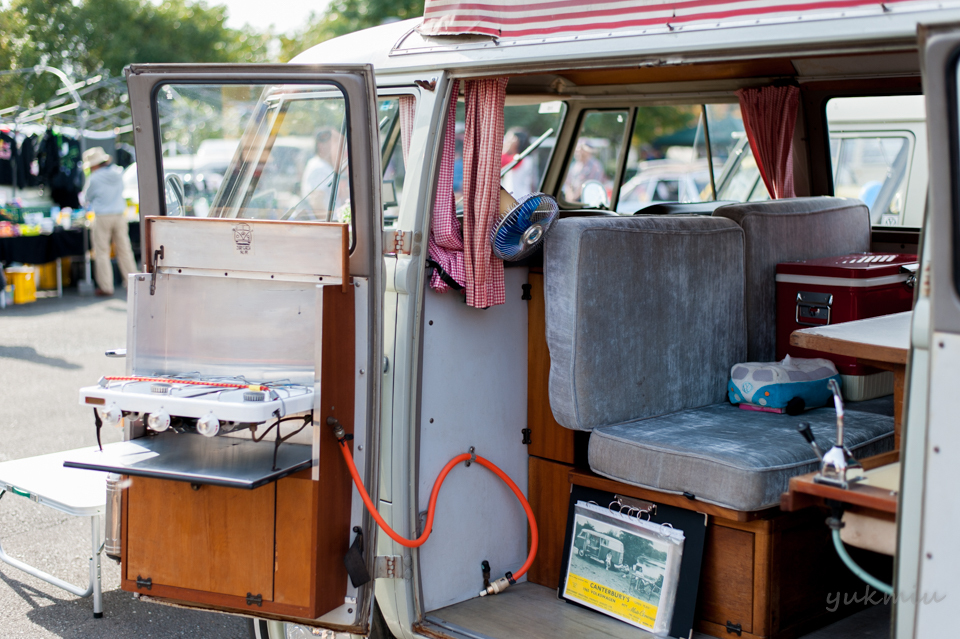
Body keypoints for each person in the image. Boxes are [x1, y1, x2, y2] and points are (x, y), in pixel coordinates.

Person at [81, 147, 137, 297]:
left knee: (102, 252)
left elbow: (86, 198)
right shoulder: (118, 173)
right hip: (119, 214)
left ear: (93, 165)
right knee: (125, 250)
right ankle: (133, 283)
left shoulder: (94, 178)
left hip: (102, 216)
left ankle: (106, 287)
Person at [300, 127, 350, 221]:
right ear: (321, 146)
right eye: (336, 142)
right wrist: (332, 226)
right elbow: (316, 203)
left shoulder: (326, 166)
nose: (342, 147)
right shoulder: (319, 168)